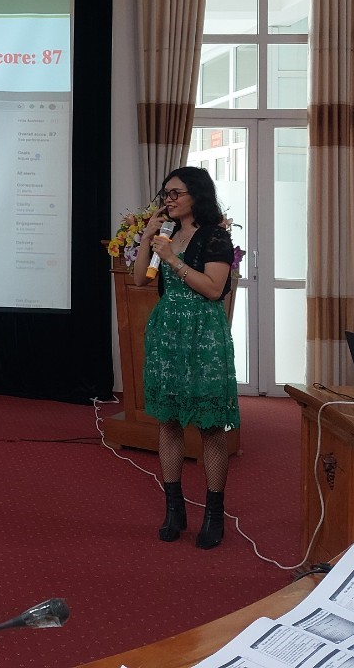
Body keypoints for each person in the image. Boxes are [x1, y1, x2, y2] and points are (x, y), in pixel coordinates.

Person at [131, 165, 239, 549]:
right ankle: (174, 510)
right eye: (166, 193)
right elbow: (140, 279)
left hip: (203, 336)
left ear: (197, 195)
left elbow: (213, 289)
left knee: (210, 427)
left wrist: (174, 260)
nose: (169, 199)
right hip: (167, 336)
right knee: (170, 422)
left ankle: (214, 516)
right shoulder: (167, 233)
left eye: (175, 193)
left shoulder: (215, 236)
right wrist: (148, 237)